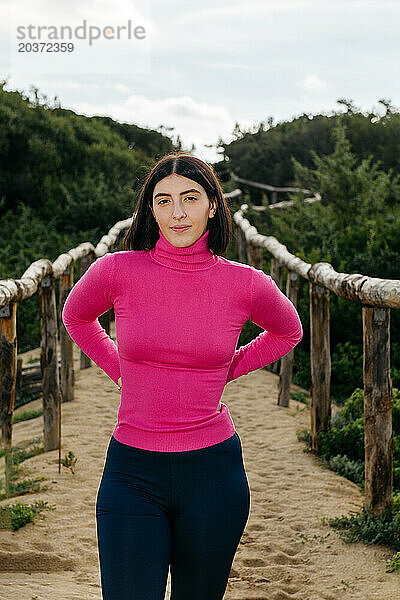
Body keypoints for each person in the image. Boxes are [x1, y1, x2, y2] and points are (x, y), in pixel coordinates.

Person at [61, 152, 303, 600]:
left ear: (213, 204)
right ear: (149, 209)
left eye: (190, 198)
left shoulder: (246, 283)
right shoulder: (116, 270)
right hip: (131, 472)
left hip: (214, 475)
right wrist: (120, 370)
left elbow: (288, 331)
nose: (177, 213)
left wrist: (230, 366)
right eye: (163, 200)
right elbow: (76, 317)